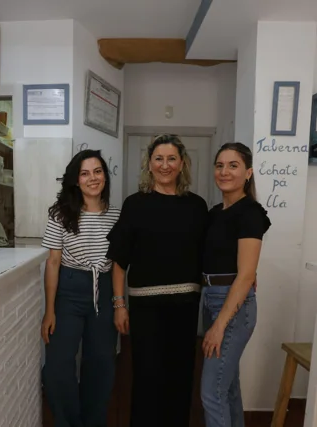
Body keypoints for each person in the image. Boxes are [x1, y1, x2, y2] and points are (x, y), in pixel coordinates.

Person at [107, 134, 209, 427]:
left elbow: (210, 254)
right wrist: (119, 304)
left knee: (180, 378)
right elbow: (119, 262)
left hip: (184, 307)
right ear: (149, 164)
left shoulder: (197, 207)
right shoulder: (135, 205)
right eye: (159, 158)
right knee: (147, 378)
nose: (165, 165)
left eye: (172, 158)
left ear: (182, 163)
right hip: (145, 309)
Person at [41, 149, 120, 427]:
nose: (92, 178)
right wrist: (49, 311)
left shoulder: (117, 215)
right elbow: (53, 263)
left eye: (98, 171)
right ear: (76, 180)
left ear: (105, 177)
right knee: (58, 365)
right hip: (70, 288)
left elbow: (122, 262)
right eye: (85, 173)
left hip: (105, 289)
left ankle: (93, 421)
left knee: (101, 363)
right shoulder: (60, 213)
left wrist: (120, 304)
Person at [200, 142, 271, 427]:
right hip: (210, 297)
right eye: (220, 165)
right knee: (226, 387)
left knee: (211, 392)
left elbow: (245, 276)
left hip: (232, 305)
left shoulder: (250, 213)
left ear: (248, 172)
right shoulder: (215, 212)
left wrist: (219, 325)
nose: (224, 171)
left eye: (233, 165)